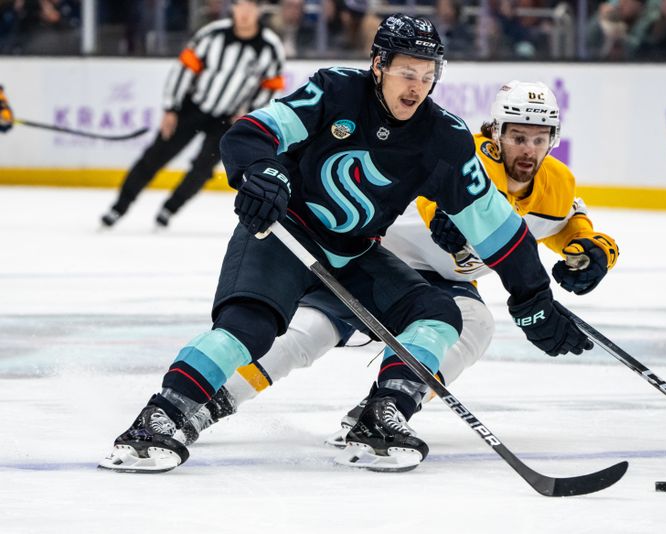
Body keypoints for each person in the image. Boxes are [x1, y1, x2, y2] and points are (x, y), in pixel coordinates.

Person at [99, 14, 593, 474]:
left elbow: (497, 228)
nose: (417, 86)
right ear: (378, 65)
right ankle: (159, 418)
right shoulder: (334, 91)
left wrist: (534, 298)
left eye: (427, 74)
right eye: (406, 72)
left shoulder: (442, 137)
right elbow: (250, 134)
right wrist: (263, 172)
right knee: (249, 329)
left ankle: (382, 415)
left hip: (354, 253)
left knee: (439, 315)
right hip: (284, 233)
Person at [177, 80, 620, 464]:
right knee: (311, 331)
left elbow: (562, 224)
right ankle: (217, 397)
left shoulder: (557, 181)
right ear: (495, 132)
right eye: (519, 137)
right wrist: (438, 213)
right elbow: (446, 194)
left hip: (447, 281)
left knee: (474, 326)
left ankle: (387, 405)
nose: (529, 149)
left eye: (540, 138)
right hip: (386, 262)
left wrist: (593, 249)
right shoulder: (467, 156)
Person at [99, 0, 285, 229]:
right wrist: (171, 108)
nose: (245, 13)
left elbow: (272, 85)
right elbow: (183, 70)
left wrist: (249, 114)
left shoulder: (271, 47)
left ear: (259, 10)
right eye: (240, 6)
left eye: (250, 7)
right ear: (233, 9)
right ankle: (119, 207)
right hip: (193, 108)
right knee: (154, 157)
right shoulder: (212, 35)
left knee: (202, 169)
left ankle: (170, 208)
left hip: (229, 120)